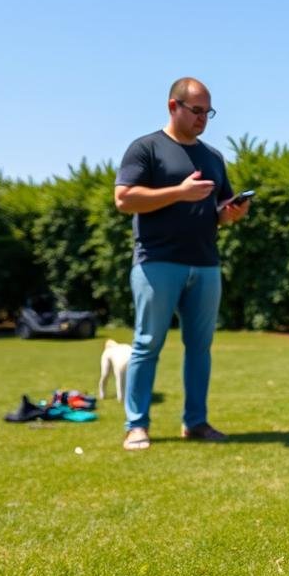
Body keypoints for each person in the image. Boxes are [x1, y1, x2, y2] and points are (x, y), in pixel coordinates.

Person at [113, 77, 250, 451]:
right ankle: (136, 425)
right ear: (173, 106)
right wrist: (179, 192)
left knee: (200, 347)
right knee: (147, 343)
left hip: (205, 264)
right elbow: (124, 199)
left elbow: (218, 214)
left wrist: (231, 213)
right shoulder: (146, 149)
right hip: (156, 262)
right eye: (196, 110)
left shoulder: (213, 157)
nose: (203, 118)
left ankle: (196, 422)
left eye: (208, 111)